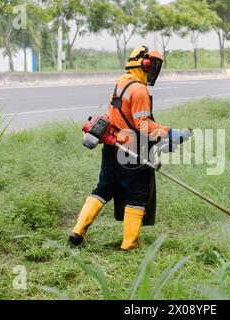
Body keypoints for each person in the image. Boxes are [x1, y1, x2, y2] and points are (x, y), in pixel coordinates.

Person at [69, 46, 191, 250]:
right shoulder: (140, 90)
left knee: (103, 189)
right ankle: (129, 243)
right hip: (131, 153)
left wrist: (160, 142)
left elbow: (125, 119)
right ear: (145, 64)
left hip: (111, 146)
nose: (154, 71)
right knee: (137, 195)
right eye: (153, 66)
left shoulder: (122, 82)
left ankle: (77, 231)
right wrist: (171, 133)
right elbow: (144, 125)